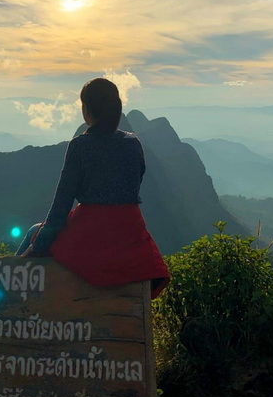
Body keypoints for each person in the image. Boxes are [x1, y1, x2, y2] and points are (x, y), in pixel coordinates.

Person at [17, 77, 169, 298]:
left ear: (87, 110)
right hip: (128, 229)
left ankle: (8, 309)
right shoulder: (132, 143)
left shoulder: (80, 146)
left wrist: (36, 248)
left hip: (93, 231)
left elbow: (61, 205)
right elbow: (137, 181)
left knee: (33, 232)